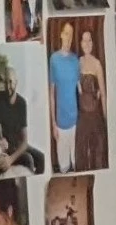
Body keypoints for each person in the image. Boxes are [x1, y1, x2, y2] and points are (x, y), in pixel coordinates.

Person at [0, 66, 44, 175]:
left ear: (16, 82)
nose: (8, 86)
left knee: (41, 158)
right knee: (28, 159)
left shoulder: (21, 103)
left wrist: (11, 159)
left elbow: (24, 141)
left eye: (10, 82)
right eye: (5, 82)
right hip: (5, 146)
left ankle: (36, 183)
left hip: (17, 145)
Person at [74, 28, 107, 171]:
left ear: (92, 43)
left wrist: (105, 118)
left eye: (89, 40)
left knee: (97, 151)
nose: (87, 43)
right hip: (82, 116)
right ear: (81, 43)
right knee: (81, 152)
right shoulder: (77, 63)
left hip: (95, 115)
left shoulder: (97, 64)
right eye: (84, 40)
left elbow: (103, 93)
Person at [49, 21, 80, 173]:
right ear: (61, 35)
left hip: (76, 123)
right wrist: (53, 124)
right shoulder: (54, 59)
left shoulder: (75, 60)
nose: (68, 38)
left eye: (71, 35)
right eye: (66, 33)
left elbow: (80, 89)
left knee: (77, 165)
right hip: (61, 124)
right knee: (64, 168)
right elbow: (51, 94)